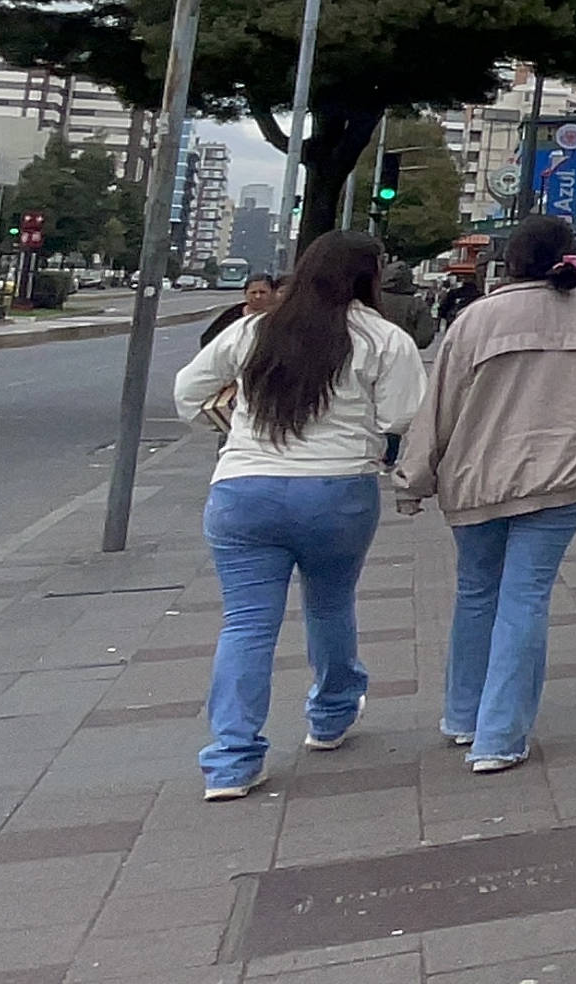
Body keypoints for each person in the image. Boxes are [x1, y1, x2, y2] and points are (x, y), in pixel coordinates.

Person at [171, 231, 425, 801]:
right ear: (370, 276)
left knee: (246, 623)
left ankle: (231, 760)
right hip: (337, 489)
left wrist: (234, 428)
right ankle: (331, 715)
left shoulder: (253, 330)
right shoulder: (384, 339)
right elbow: (402, 416)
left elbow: (188, 392)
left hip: (243, 490)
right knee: (330, 605)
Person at [396, 216, 576, 774]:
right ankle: (500, 737)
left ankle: (463, 716)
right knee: (525, 599)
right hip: (559, 479)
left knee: (475, 593)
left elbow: (439, 409)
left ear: (508, 262)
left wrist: (414, 480)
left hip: (475, 480)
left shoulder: (476, 319)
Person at [197, 273, 280, 349]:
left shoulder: (279, 316)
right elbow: (208, 341)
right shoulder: (231, 317)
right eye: (253, 292)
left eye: (262, 292)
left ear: (272, 293)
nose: (258, 296)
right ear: (245, 293)